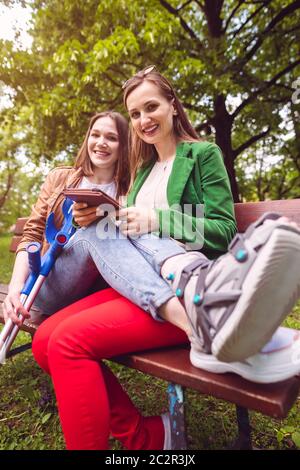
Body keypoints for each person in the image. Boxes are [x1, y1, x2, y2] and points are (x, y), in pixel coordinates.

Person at [6, 67, 300, 450]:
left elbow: (223, 229)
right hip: (138, 282)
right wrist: (102, 217)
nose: (144, 120)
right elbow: (121, 238)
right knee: (45, 340)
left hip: (182, 289)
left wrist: (158, 218)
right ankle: (150, 436)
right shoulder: (140, 172)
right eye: (136, 113)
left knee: (65, 344)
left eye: (151, 107)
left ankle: (201, 320)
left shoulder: (202, 155)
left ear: (172, 107)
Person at [3, 110, 130, 321]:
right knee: (92, 233)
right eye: (95, 135)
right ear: (87, 138)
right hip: (48, 282)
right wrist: (15, 288)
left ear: (123, 145)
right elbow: (32, 234)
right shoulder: (60, 178)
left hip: (99, 293)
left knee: (98, 232)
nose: (101, 142)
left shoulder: (130, 189)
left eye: (112, 138)